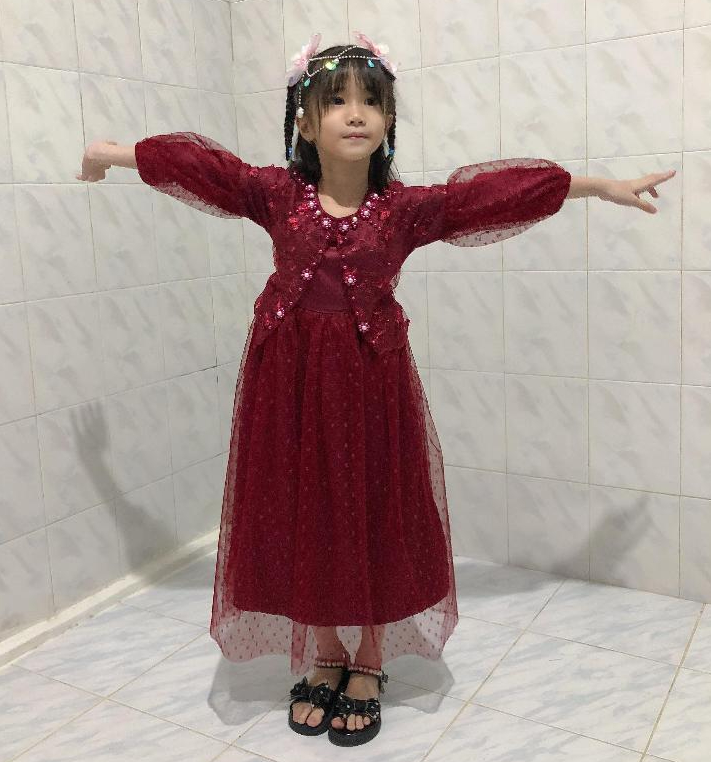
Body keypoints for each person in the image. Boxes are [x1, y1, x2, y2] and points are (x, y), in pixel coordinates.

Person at [76, 30, 676, 748]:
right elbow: (205, 169)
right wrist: (112, 153)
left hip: (370, 386)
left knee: (371, 508)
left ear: (389, 121)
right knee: (302, 507)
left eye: (372, 102)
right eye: (336, 101)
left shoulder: (404, 210)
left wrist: (598, 186)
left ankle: (368, 658)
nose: (356, 113)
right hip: (288, 385)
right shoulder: (276, 195)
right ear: (305, 122)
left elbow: (487, 197)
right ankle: (325, 649)